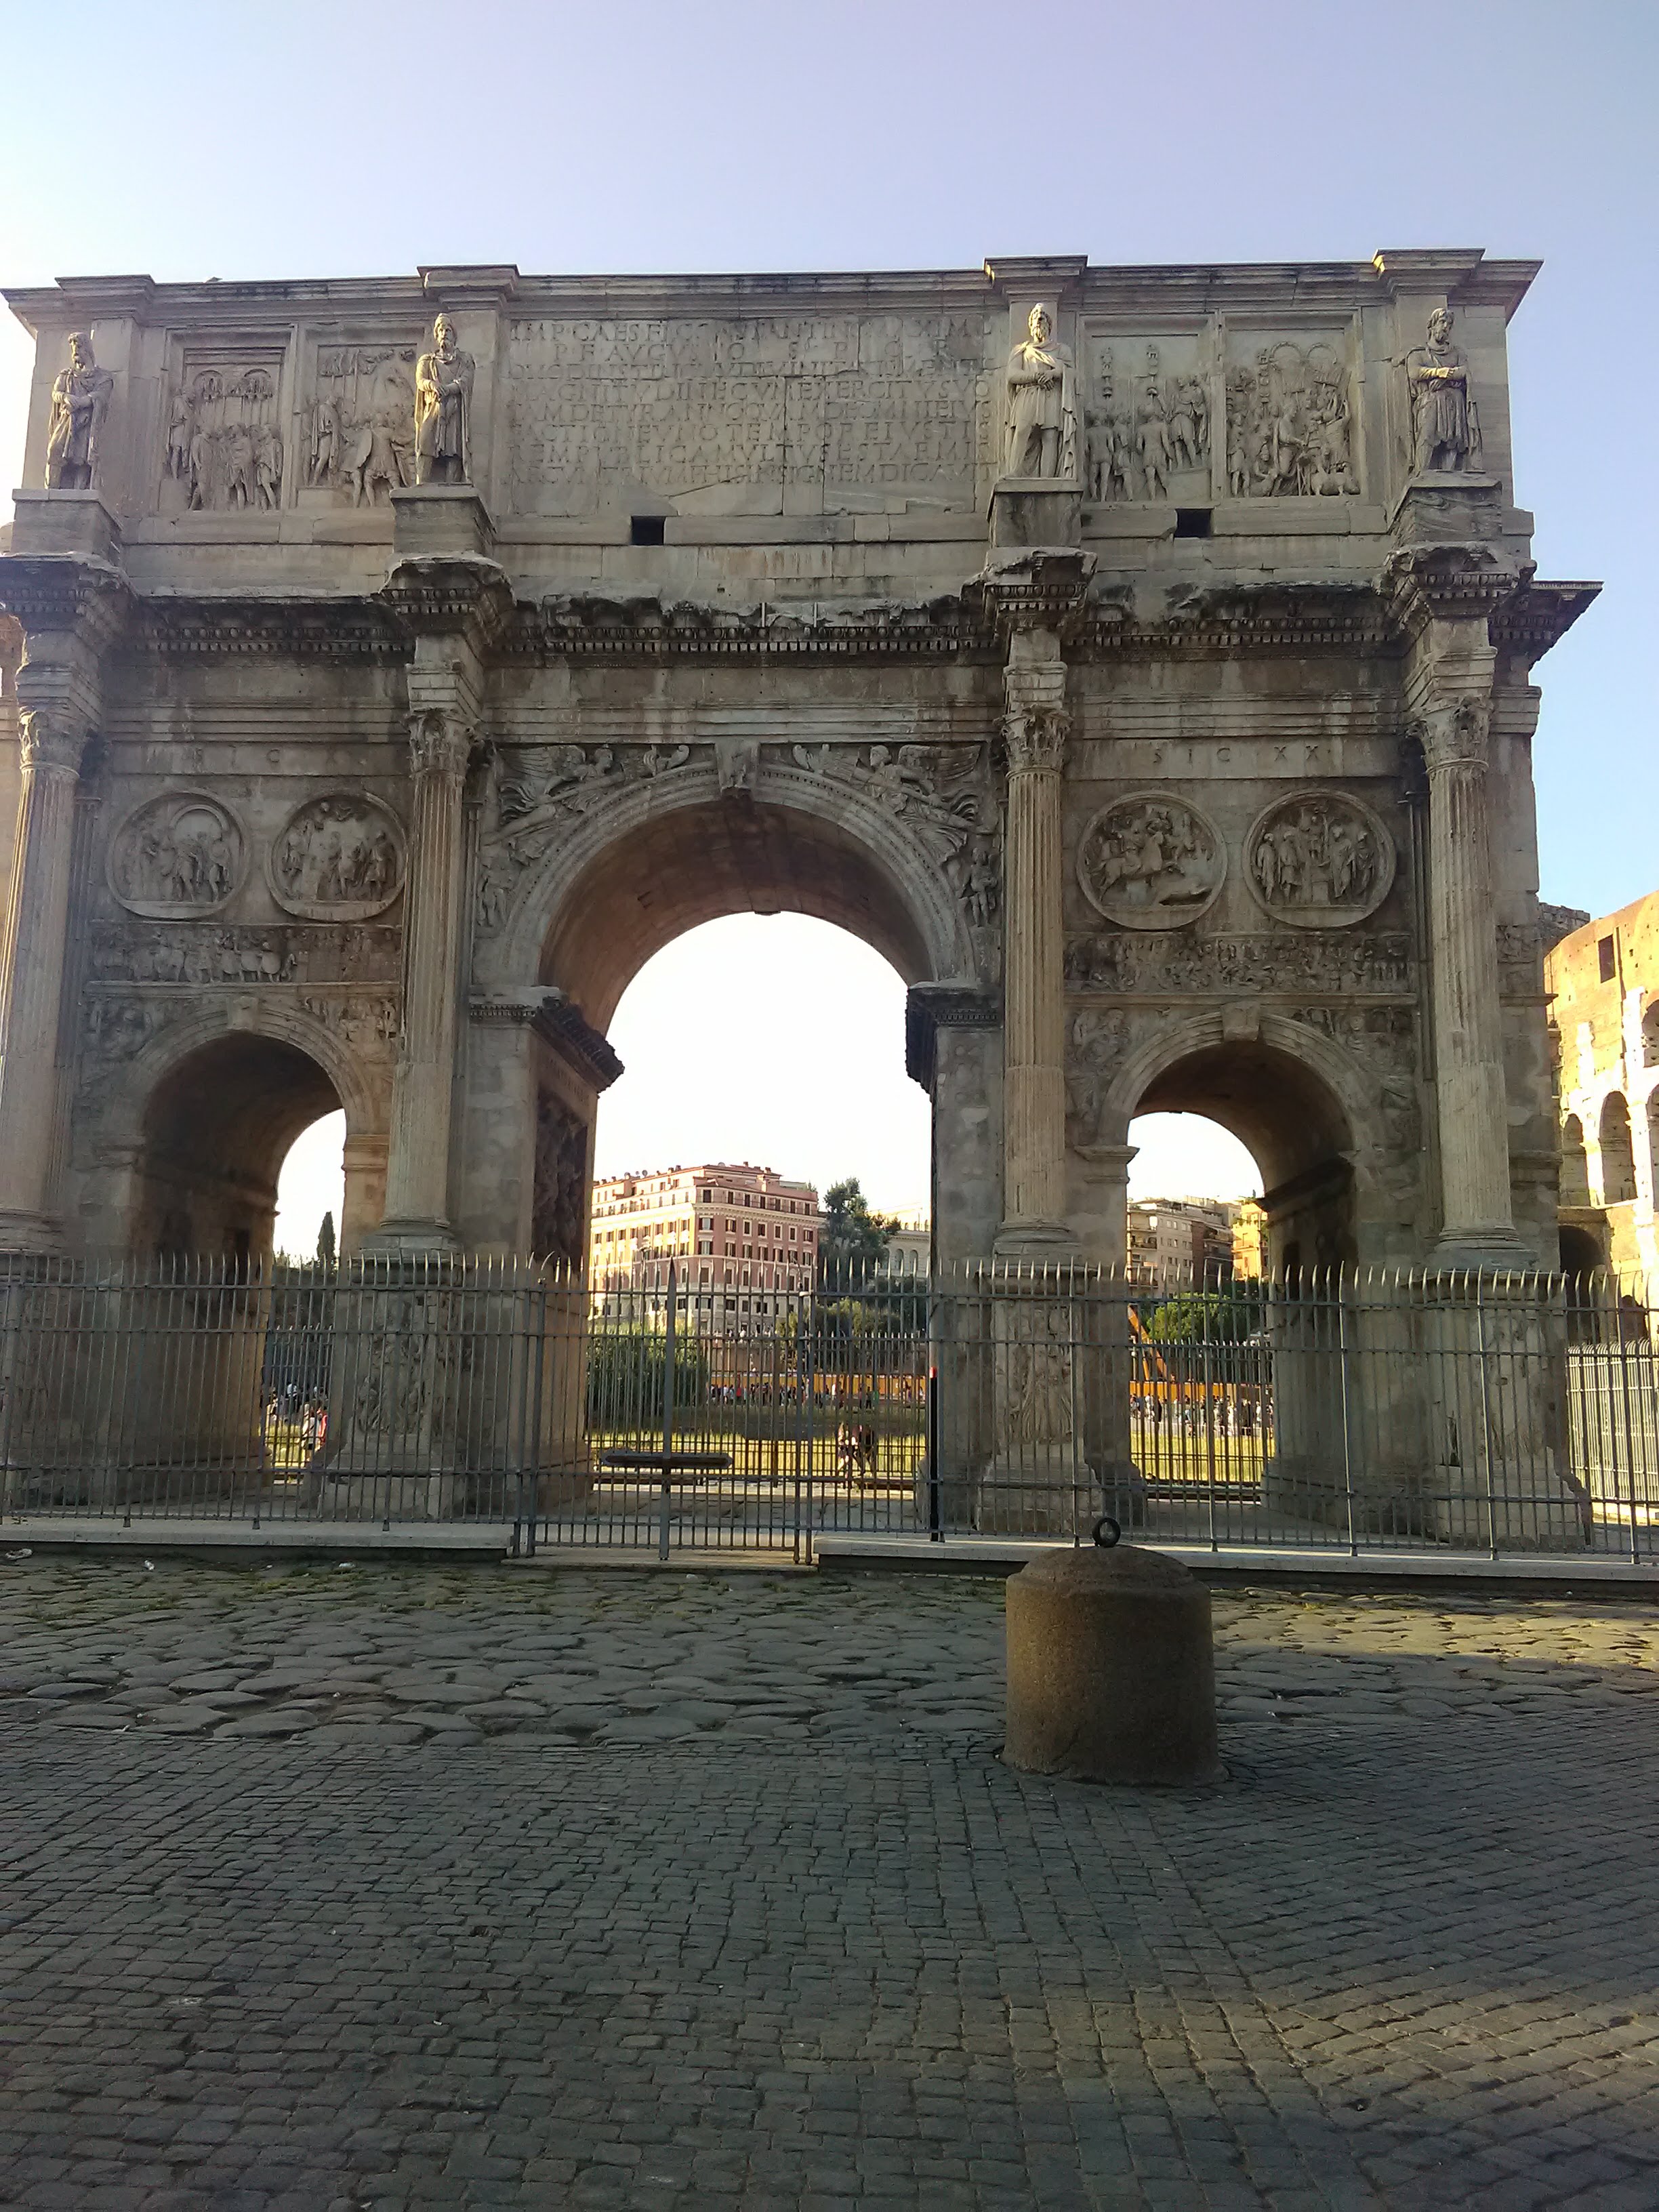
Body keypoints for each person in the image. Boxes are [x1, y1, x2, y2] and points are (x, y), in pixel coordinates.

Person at [1002, 305, 1078, 480]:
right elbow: (1012, 374)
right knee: (1022, 432)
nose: (1039, 319)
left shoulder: (1061, 350)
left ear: (1049, 325)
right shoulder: (1022, 350)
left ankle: (1047, 480)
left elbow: (1068, 371)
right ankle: (1015, 471)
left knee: (1049, 436)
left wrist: (1051, 374)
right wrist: (1035, 376)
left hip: (1051, 396)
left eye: (1043, 316)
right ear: (1031, 324)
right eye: (1035, 316)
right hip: (1027, 395)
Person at [1405, 307, 1479, 475]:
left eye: (1449, 324)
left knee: (1453, 440)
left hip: (1454, 401)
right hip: (1430, 403)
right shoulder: (1419, 353)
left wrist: (1446, 378)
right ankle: (1421, 474)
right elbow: (1414, 371)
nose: (1446, 327)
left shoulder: (1456, 353)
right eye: (1442, 322)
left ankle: (1449, 477)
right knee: (1427, 436)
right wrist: (1438, 372)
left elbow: (1464, 371)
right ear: (1432, 326)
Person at [44, 333, 113, 490]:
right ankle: (52, 488)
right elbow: (55, 393)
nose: (75, 354)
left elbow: (101, 394)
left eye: (79, 349)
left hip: (86, 421)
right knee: (54, 449)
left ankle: (79, 490)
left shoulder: (102, 377)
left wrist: (84, 401)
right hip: (67, 420)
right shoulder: (66, 375)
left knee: (82, 455)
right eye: (73, 350)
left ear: (87, 350)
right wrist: (66, 397)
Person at [414, 314, 475, 485]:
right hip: (433, 408)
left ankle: (452, 486)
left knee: (454, 448)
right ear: (436, 335)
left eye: (448, 330)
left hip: (454, 409)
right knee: (425, 443)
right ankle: (421, 483)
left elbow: (465, 380)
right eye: (441, 330)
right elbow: (420, 381)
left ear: (454, 335)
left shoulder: (464, 360)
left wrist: (448, 389)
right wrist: (433, 385)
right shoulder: (427, 361)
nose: (444, 333)